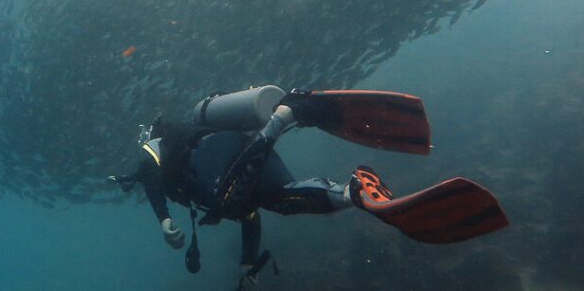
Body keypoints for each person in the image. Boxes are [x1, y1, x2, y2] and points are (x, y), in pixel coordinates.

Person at [110, 86, 508, 290]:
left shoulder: (158, 145)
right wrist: (248, 263)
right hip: (241, 160)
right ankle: (354, 192)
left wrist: (162, 220)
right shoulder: (188, 176)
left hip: (225, 151)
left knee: (227, 200)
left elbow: (146, 172)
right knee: (280, 200)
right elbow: (250, 216)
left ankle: (284, 118)